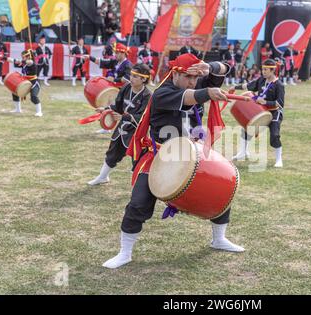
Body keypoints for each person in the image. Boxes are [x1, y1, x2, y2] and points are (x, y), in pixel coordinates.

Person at [102, 53, 244, 269]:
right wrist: (207, 91)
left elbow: (225, 68)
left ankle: (219, 239)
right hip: (159, 156)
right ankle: (125, 253)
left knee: (221, 189)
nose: (193, 82)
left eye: (196, 78)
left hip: (190, 154)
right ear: (176, 73)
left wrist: (210, 66)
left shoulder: (194, 81)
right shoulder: (162, 93)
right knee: (138, 204)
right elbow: (191, 97)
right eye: (189, 77)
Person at [88, 64, 152, 186]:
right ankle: (103, 177)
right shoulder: (126, 87)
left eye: (135, 76)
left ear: (144, 79)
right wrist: (106, 109)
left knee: (137, 158)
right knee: (113, 152)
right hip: (122, 129)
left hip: (137, 133)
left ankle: (140, 186)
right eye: (131, 75)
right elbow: (118, 106)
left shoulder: (147, 96)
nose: (131, 78)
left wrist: (125, 117)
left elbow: (144, 117)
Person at [230, 59, 285, 168]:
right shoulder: (261, 80)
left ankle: (279, 159)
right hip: (260, 111)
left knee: (274, 135)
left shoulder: (279, 85)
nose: (263, 72)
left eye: (266, 70)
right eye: (263, 69)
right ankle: (243, 152)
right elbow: (249, 86)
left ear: (273, 70)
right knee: (247, 128)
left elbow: (280, 103)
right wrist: (234, 87)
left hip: (274, 113)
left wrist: (266, 102)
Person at [6, 49, 43, 116]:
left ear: (28, 56)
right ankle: (18, 109)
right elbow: (12, 61)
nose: (22, 58)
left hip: (34, 83)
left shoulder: (32, 63)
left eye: (24, 57)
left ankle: (39, 112)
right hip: (25, 82)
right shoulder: (24, 63)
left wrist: (19, 60)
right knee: (15, 92)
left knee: (33, 96)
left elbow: (29, 62)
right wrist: (3, 58)